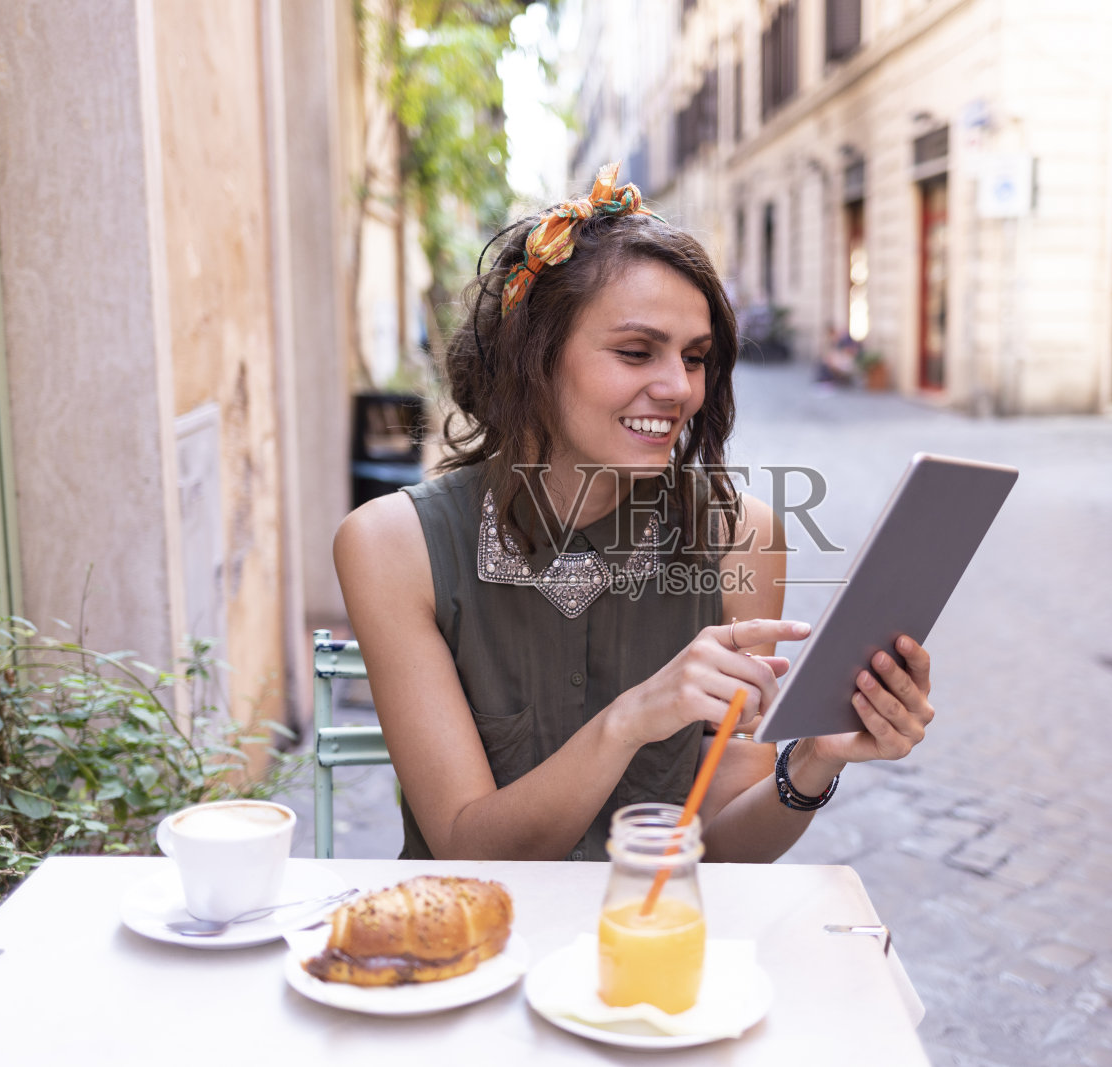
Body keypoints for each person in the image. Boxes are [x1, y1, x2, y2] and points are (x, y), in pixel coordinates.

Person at [334, 164, 936, 863]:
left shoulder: (741, 537)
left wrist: (814, 759)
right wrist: (632, 718)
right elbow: (470, 846)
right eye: (635, 352)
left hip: (653, 946)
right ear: (534, 356)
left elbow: (712, 835)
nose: (678, 388)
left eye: (696, 357)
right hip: (477, 953)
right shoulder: (393, 547)